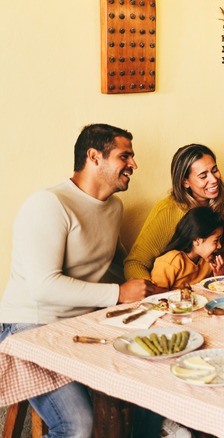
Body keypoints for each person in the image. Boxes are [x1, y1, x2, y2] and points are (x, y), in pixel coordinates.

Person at [0, 123, 155, 438]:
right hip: (29, 327)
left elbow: (113, 266)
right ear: (94, 157)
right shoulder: (49, 204)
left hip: (82, 325)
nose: (134, 165)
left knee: (150, 385)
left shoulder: (114, 207)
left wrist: (153, 292)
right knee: (78, 426)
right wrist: (119, 294)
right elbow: (43, 286)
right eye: (125, 156)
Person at [124, 144, 224, 285]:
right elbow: (135, 264)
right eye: (203, 176)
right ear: (185, 182)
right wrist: (154, 294)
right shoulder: (167, 211)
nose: (214, 179)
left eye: (215, 170)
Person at [151, 206, 224, 289]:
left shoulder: (209, 262)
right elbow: (154, 296)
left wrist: (219, 277)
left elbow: (211, 292)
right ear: (196, 240)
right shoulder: (171, 261)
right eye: (216, 240)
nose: (220, 246)